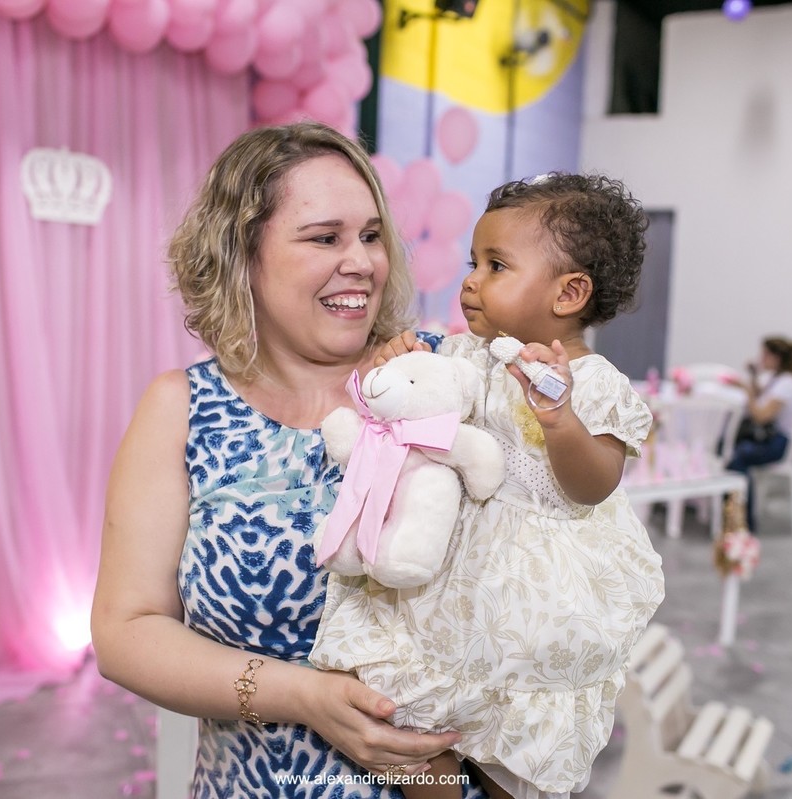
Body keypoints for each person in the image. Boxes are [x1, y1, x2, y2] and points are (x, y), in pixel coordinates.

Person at [90, 122, 493, 797]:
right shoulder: (183, 409)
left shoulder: (443, 375)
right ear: (242, 252)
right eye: (325, 237)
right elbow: (125, 630)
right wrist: (303, 696)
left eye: (370, 236)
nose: (361, 262)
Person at [310, 172, 667, 799]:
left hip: (534, 602)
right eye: (474, 261)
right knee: (406, 722)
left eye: (496, 265)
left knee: (519, 749)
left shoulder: (592, 381)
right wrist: (399, 361)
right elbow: (420, 402)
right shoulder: (466, 354)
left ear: (569, 293)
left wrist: (560, 421)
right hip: (451, 588)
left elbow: (593, 486)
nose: (471, 279)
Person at [725, 336, 792, 531]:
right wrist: (751, 379)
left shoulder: (788, 383)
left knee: (738, 457)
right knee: (733, 448)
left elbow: (760, 416)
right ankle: (733, 513)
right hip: (783, 439)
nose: (761, 358)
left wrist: (748, 392)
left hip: (786, 444)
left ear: (777, 358)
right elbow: (762, 396)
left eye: (765, 355)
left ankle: (743, 522)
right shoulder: (779, 379)